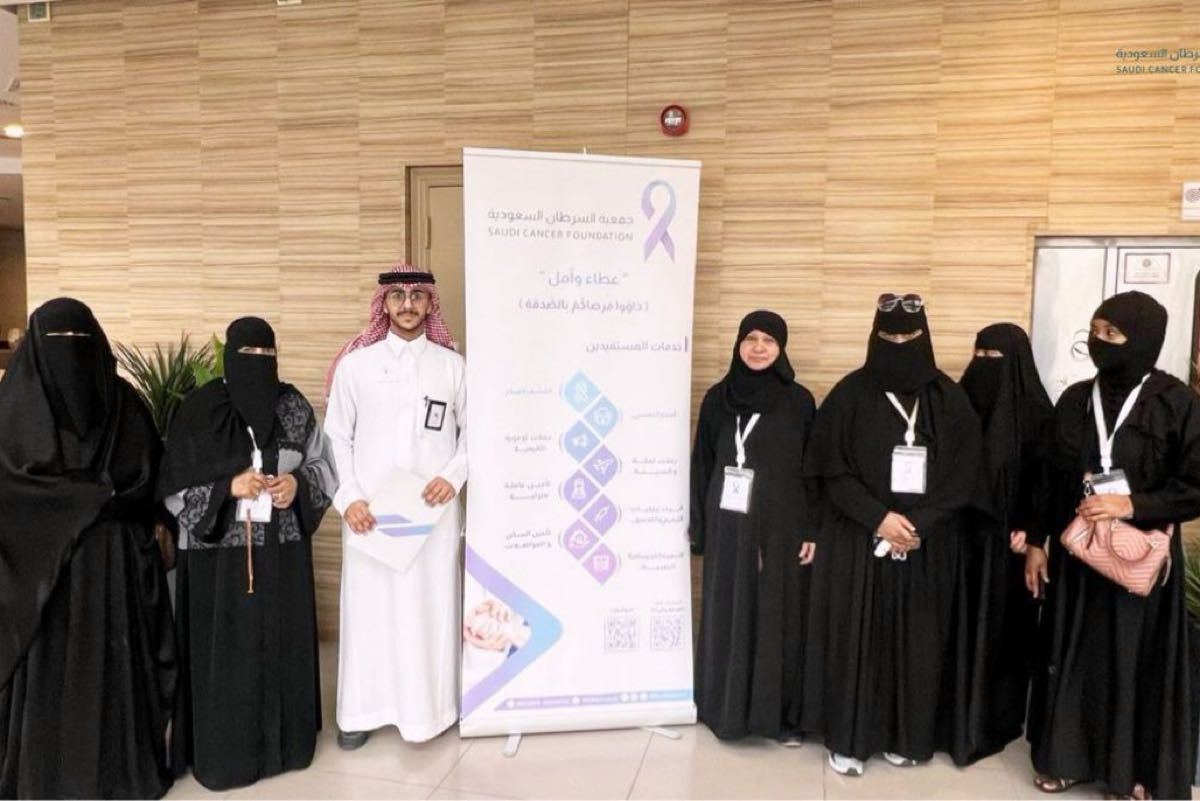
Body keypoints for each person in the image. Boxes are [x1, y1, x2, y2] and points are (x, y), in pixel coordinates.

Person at [1025, 291, 1200, 800]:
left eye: (1113, 334)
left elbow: (1195, 484)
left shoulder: (1176, 404)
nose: (1099, 342)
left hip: (1139, 558)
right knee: (1075, 656)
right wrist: (1036, 542)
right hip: (1079, 554)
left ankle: (1132, 773)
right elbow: (1047, 477)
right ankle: (1068, 760)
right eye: (1096, 330)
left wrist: (1132, 505)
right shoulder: (1077, 399)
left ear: (1143, 340)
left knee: (1133, 660)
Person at [0, 298, 176, 799]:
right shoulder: (14, 410)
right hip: (42, 570)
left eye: (79, 342)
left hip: (114, 565)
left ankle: (117, 771)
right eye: (59, 344)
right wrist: (94, 498)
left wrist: (83, 502)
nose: (70, 356)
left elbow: (151, 479)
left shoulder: (125, 405)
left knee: (113, 669)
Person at [800, 292, 982, 776]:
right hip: (857, 539)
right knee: (855, 640)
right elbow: (831, 469)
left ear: (925, 336)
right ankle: (850, 740)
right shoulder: (849, 395)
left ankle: (909, 736)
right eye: (889, 337)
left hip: (927, 543)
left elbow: (965, 473)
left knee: (917, 644)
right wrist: (879, 517)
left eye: (909, 337)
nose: (899, 345)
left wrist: (918, 522)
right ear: (873, 336)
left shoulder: (950, 399)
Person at [159, 317, 336, 791]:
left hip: (283, 555)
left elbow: (324, 465)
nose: (258, 364)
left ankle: (287, 746)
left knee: (282, 646)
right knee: (226, 658)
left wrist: (298, 485)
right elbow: (172, 486)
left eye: (266, 356)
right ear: (229, 358)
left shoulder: (293, 406)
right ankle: (226, 753)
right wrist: (227, 487)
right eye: (248, 356)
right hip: (218, 562)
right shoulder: (200, 410)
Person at [325, 265, 467, 749]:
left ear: (430, 303)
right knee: (370, 613)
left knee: (428, 609)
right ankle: (361, 712)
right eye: (398, 296)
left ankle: (431, 712)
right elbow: (335, 438)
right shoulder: (356, 366)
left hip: (433, 514)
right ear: (383, 303)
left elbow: (475, 431)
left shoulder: (452, 366)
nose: (407, 305)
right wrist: (350, 498)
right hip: (370, 515)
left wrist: (453, 476)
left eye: (417, 296)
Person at [689, 311, 818, 743]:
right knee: (730, 610)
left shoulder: (799, 401)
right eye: (751, 338)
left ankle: (778, 718)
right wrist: (700, 527)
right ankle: (725, 711)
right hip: (729, 523)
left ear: (781, 348)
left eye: (769, 340)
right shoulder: (717, 399)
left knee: (777, 616)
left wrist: (812, 530)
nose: (759, 347)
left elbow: (812, 471)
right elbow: (703, 463)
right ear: (739, 344)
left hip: (783, 525)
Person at [951, 323, 1053, 764]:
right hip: (959, 540)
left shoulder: (1038, 414)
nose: (983, 365)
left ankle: (995, 720)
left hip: (1009, 547)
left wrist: (1032, 531)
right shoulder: (957, 405)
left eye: (994, 358)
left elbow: (1047, 480)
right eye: (979, 355)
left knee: (1002, 633)